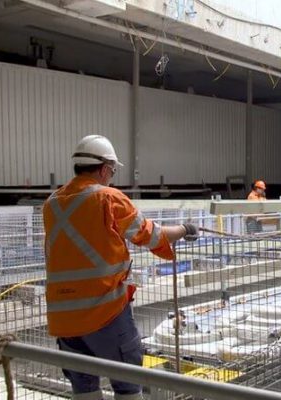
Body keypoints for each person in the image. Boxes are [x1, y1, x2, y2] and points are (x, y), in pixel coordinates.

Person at [43, 135, 198, 400]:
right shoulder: (108, 197)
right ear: (104, 169)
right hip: (104, 312)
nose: (112, 177)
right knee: (128, 384)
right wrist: (185, 229)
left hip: (63, 319)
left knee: (84, 389)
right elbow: (152, 235)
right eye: (112, 171)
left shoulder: (52, 204)